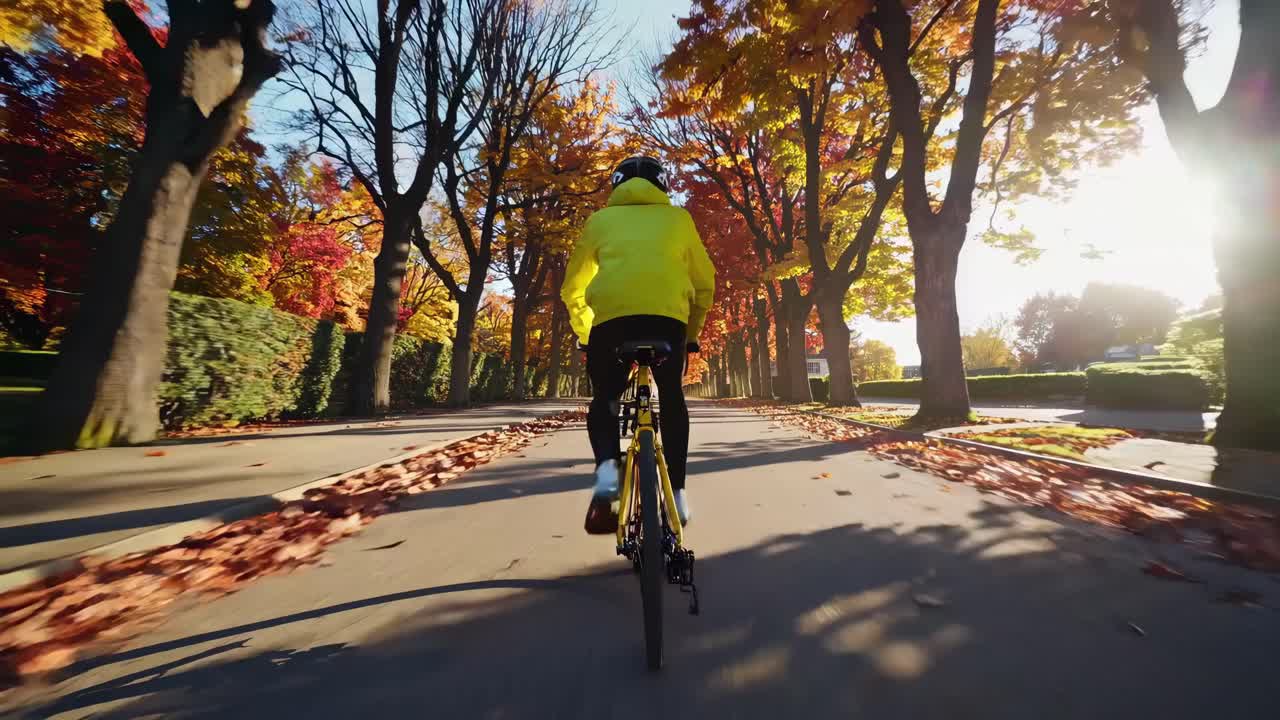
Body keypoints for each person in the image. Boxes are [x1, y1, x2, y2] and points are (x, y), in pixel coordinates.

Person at [560, 156, 716, 535]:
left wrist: (585, 333)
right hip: (668, 323)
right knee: (672, 398)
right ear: (662, 186)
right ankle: (676, 494)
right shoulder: (680, 220)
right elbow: (704, 283)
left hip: (612, 325)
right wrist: (690, 333)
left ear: (616, 185)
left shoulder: (599, 221)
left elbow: (573, 289)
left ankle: (607, 485)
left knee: (605, 401)